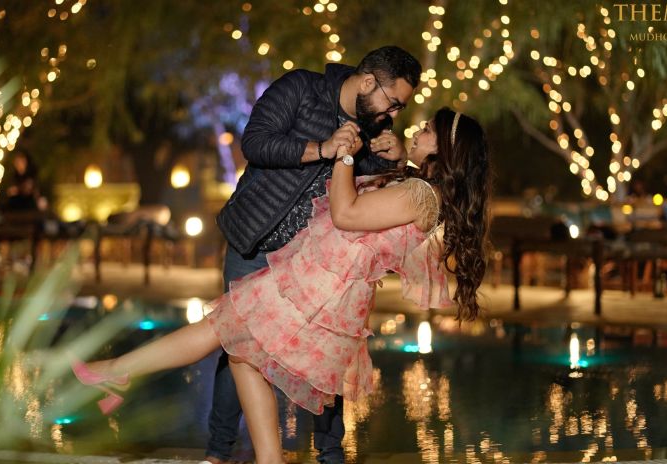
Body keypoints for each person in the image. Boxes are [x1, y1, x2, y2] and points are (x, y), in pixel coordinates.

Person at [73, 107, 492, 464]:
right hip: (316, 278)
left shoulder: (421, 194)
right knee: (238, 348)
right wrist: (394, 157)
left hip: (321, 286)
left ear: (444, 148)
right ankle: (124, 377)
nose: (417, 130)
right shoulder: (421, 189)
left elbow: (346, 214)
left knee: (224, 331)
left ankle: (116, 372)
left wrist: (344, 156)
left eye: (428, 131)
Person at [211, 45, 421, 464]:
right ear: (367, 83)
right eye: (393, 102)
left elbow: (360, 191)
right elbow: (256, 143)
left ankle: (330, 455)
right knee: (237, 342)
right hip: (253, 242)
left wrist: (396, 161)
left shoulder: (371, 125)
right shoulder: (301, 88)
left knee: (326, 356)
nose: (393, 114)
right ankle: (217, 452)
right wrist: (322, 147)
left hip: (309, 261)